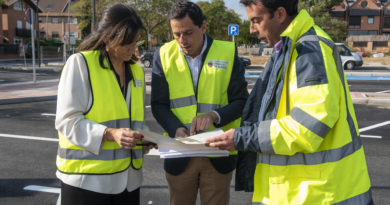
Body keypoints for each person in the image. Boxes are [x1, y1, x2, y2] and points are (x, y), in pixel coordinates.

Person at [206, 0, 373, 204]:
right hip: (300, 192)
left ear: (280, 14)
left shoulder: (309, 52)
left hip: (320, 195)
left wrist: (242, 137)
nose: (251, 29)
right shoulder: (289, 47)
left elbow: (307, 128)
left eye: (256, 20)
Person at [151, 0, 248, 204]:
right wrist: (175, 128)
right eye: (176, 34)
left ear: (203, 26)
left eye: (188, 32)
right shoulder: (162, 55)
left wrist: (215, 116)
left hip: (217, 153)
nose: (182, 40)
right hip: (179, 152)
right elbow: (158, 104)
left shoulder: (228, 52)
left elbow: (241, 100)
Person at [55, 3, 147, 205]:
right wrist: (110, 134)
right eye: (126, 43)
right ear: (107, 37)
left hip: (129, 181)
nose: (133, 49)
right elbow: (67, 122)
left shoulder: (137, 72)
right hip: (86, 182)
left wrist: (145, 139)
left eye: (135, 42)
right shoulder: (80, 64)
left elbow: (135, 120)